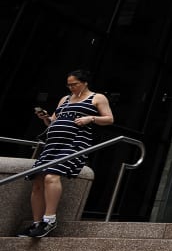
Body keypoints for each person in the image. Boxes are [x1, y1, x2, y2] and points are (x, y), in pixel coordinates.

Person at [18, 69, 114, 238]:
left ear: (84, 82)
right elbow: (53, 121)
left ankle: (49, 220)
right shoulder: (65, 99)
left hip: (75, 143)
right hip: (53, 144)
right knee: (37, 180)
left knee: (51, 176)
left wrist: (90, 118)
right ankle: (36, 224)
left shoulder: (97, 97)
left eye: (74, 84)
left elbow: (109, 119)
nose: (71, 88)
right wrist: (45, 118)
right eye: (69, 85)